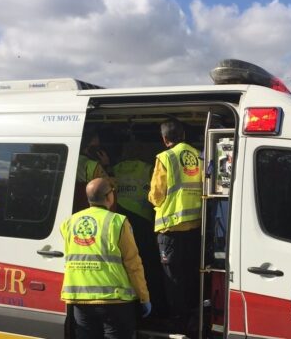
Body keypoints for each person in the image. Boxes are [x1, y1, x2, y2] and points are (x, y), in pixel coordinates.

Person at [61, 178, 151, 339]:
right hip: (114, 301)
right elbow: (133, 264)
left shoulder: (69, 223)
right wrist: (144, 297)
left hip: (80, 299)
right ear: (109, 197)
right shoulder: (117, 222)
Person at [148, 119, 203, 335]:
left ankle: (178, 322)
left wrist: (151, 198)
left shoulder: (165, 158)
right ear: (184, 134)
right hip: (196, 225)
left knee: (173, 279)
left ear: (164, 139)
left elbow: (156, 194)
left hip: (171, 228)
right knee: (191, 273)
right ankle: (192, 316)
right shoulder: (198, 155)